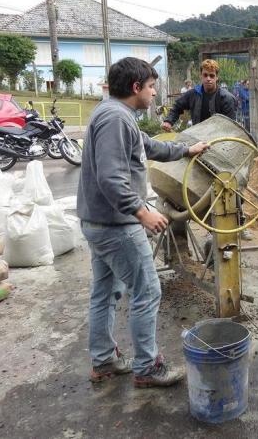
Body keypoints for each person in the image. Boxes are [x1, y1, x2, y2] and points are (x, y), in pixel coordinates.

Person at [77, 57, 210, 388]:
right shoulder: (114, 119)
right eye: (151, 87)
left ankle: (104, 359)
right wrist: (141, 211)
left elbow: (146, 147)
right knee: (147, 290)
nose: (154, 94)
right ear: (136, 88)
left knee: (106, 291)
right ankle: (147, 368)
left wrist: (185, 150)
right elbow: (110, 178)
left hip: (100, 221)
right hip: (116, 225)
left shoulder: (117, 115)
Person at [162, 59, 236, 132]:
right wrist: (169, 121)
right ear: (201, 76)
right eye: (205, 75)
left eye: (212, 76)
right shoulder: (193, 94)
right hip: (197, 138)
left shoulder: (227, 98)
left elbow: (229, 127)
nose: (208, 79)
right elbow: (177, 106)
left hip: (219, 138)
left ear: (217, 77)